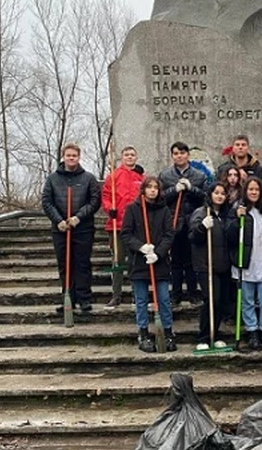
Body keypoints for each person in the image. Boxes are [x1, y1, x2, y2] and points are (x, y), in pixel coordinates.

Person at [41, 142, 101, 313]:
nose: (71, 158)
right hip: (60, 229)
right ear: (63, 157)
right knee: (64, 264)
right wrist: (58, 220)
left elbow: (94, 201)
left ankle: (84, 299)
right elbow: (47, 201)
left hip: (83, 228)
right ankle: (68, 297)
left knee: (82, 263)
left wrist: (78, 217)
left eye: (74, 155)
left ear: (79, 157)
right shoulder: (53, 179)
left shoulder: (88, 178)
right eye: (68, 155)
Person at [121, 176, 176, 353]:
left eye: (156, 188)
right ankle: (143, 333)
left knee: (164, 299)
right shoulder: (132, 209)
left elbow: (169, 234)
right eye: (149, 187)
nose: (153, 190)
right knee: (142, 299)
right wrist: (141, 247)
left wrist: (158, 253)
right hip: (139, 262)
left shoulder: (164, 211)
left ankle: (167, 332)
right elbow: (126, 234)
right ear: (143, 190)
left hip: (159, 263)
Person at [227, 176, 262, 351]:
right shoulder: (237, 209)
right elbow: (229, 236)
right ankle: (252, 331)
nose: (254, 192)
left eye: (257, 189)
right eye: (251, 189)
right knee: (247, 300)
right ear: (245, 191)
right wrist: (235, 220)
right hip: (245, 262)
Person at [158, 142, 211, 305]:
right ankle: (176, 294)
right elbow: (160, 198)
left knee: (191, 261)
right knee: (175, 261)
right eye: (175, 153)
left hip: (192, 222)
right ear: (172, 156)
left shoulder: (199, 176)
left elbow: (205, 198)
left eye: (182, 153)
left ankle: (193, 292)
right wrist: (175, 189)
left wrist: (190, 189)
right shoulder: (165, 176)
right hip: (173, 222)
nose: (179, 156)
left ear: (188, 155)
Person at [189, 183, 232, 350]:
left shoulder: (226, 215)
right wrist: (202, 227)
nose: (220, 196)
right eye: (217, 193)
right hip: (205, 265)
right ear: (210, 194)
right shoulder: (201, 213)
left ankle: (216, 332)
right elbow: (192, 237)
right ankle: (204, 336)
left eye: (223, 193)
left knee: (220, 301)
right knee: (211, 300)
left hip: (223, 265)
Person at [100, 146, 145, 308]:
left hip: (135, 226)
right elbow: (105, 196)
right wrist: (109, 208)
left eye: (132, 154)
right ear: (122, 157)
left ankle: (137, 294)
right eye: (127, 155)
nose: (130, 157)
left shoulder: (141, 177)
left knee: (135, 261)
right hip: (117, 224)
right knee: (117, 260)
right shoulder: (113, 176)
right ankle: (116, 294)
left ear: (136, 157)